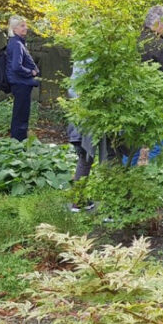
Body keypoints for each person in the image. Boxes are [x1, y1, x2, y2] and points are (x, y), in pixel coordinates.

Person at [125, 5, 163, 165]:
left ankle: (126, 179)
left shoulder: (131, 43)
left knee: (131, 146)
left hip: (131, 100)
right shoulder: (161, 46)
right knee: (157, 145)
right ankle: (155, 178)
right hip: (157, 102)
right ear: (159, 23)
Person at [66, 58, 96, 212]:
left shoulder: (81, 59)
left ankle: (79, 200)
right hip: (90, 119)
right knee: (108, 159)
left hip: (79, 119)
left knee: (84, 159)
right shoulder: (94, 59)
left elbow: (72, 90)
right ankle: (78, 200)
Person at [4, 15, 39, 142]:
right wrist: (31, 72)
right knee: (21, 114)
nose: (26, 28)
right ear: (14, 29)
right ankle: (19, 142)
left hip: (19, 83)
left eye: (25, 25)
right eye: (22, 26)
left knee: (20, 113)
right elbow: (16, 67)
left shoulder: (16, 43)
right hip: (21, 83)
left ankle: (17, 140)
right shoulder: (17, 44)